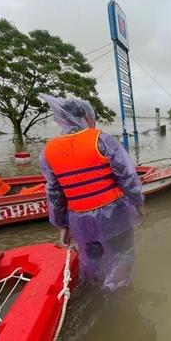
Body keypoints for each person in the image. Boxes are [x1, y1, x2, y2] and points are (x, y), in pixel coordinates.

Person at [38, 95, 146, 292]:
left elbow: (54, 193)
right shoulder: (101, 139)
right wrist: (139, 202)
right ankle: (116, 294)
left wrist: (62, 225)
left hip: (80, 219)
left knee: (92, 256)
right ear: (87, 117)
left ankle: (93, 287)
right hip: (113, 213)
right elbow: (127, 176)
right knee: (123, 254)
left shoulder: (48, 150)